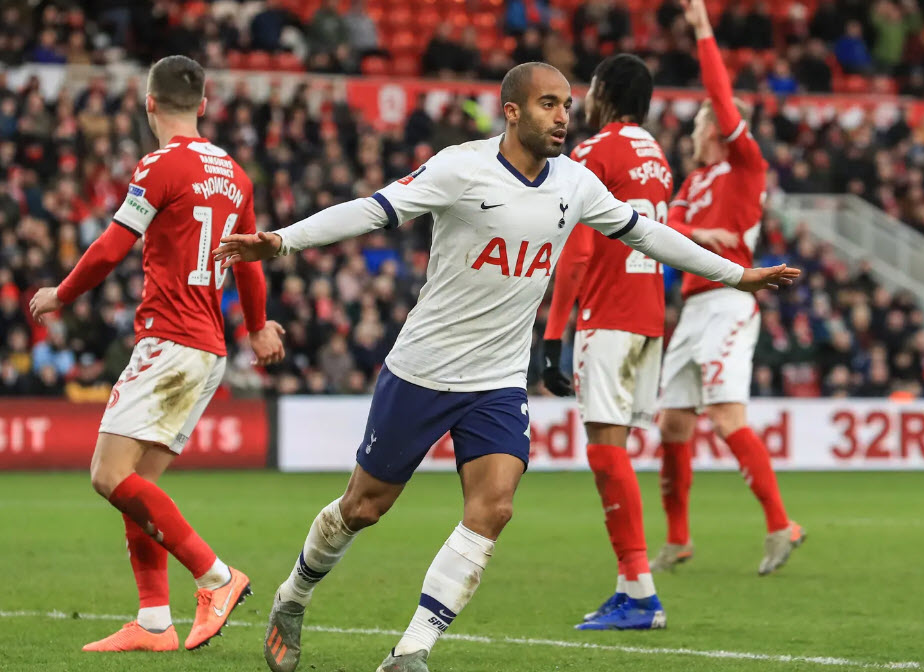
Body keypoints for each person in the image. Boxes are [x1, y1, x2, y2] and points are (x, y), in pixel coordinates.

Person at [215, 62, 799, 672]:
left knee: (493, 506)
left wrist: (737, 274)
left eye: (568, 105)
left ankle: (411, 650)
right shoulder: (459, 167)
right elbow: (372, 209)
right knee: (363, 507)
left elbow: (646, 233)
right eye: (549, 104)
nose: (563, 117)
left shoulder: (574, 182)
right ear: (513, 112)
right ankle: (294, 595)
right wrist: (280, 242)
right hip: (424, 367)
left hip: (496, 379)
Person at [29, 55, 285, 652]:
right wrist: (257, 326)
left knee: (106, 474)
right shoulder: (236, 174)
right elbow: (247, 256)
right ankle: (152, 622)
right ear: (204, 102)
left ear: (149, 104)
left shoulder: (159, 165)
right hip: (208, 349)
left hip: (168, 339)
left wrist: (61, 294)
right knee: (136, 485)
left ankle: (217, 577)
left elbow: (113, 243)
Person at [542, 53, 736, 631]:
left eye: (589, 90)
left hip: (608, 309)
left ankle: (642, 593)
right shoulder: (655, 155)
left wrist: (554, 335)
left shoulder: (592, 151)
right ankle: (631, 585)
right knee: (613, 445)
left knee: (604, 448)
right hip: (650, 309)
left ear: (603, 91)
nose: (583, 100)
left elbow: (577, 249)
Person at [650, 0, 805, 577]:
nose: (694, 127)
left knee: (726, 414)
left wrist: (703, 30)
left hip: (732, 301)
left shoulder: (746, 165)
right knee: (673, 425)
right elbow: (665, 227)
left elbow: (720, 94)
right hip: (691, 308)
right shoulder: (694, 180)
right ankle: (679, 538)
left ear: (716, 125)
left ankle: (779, 524)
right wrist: (700, 230)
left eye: (700, 121)